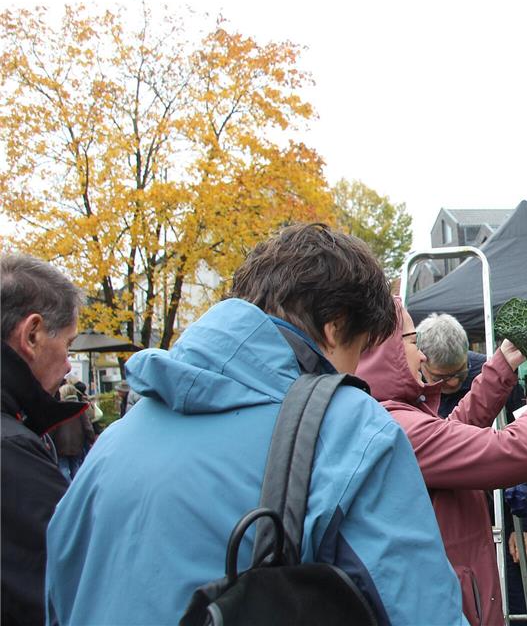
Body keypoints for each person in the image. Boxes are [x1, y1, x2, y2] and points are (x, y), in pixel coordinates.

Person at [45, 223, 466, 625]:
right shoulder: (349, 428)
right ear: (335, 326)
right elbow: (421, 609)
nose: (357, 370)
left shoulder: (112, 444)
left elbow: (57, 596)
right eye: (359, 349)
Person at [355, 299, 527, 626]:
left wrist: (501, 365)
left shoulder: (388, 413)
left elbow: (456, 428)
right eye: (412, 342)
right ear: (386, 351)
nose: (422, 355)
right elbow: (516, 451)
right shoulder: (398, 427)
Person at [417, 312, 527, 624]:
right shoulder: (410, 387)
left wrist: (525, 526)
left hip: (494, 500)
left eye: (460, 372)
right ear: (421, 362)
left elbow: (522, 439)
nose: (456, 382)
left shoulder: (488, 372)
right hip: (441, 512)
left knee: (514, 586)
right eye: (442, 378)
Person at [1, 253, 85, 625]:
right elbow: (68, 592)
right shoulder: (11, 452)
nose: (68, 364)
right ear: (32, 335)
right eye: (68, 343)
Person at [49, 381, 96, 482]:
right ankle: (76, 487)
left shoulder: (58, 408)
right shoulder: (79, 408)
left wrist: (49, 441)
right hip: (77, 444)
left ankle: (67, 488)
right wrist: (91, 439)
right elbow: (87, 427)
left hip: (60, 445)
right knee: (76, 466)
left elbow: (52, 428)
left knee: (63, 468)